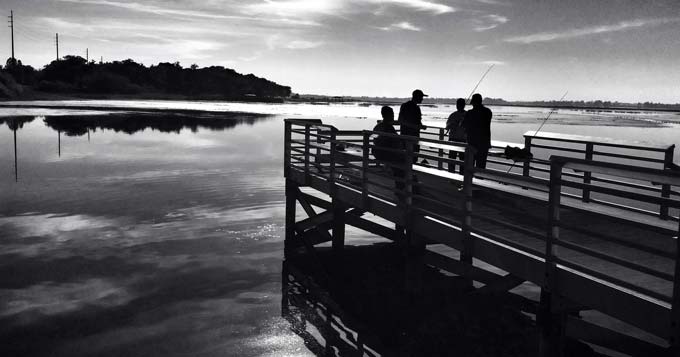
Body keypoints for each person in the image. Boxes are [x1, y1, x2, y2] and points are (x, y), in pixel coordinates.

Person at [372, 106, 405, 192]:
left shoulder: (378, 126)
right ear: (389, 115)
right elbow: (395, 141)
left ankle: (401, 185)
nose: (393, 116)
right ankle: (400, 188)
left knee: (400, 161)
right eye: (392, 114)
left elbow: (375, 139)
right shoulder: (388, 127)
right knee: (402, 163)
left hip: (377, 152)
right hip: (386, 153)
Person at [398, 89, 428, 163]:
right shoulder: (413, 107)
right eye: (421, 97)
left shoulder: (406, 106)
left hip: (408, 136)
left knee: (409, 157)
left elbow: (417, 121)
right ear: (417, 97)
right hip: (411, 136)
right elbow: (401, 121)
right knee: (411, 157)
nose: (422, 99)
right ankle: (409, 173)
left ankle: (407, 173)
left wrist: (420, 126)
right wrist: (416, 126)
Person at [463, 93, 492, 169]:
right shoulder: (488, 111)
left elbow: (463, 125)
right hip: (484, 143)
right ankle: (480, 180)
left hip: (472, 143)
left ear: (473, 102)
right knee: (481, 166)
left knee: (469, 166)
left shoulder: (469, 113)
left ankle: (469, 180)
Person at [445, 98, 467, 174]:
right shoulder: (453, 115)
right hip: (453, 139)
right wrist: (453, 124)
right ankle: (451, 175)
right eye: (458, 104)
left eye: (460, 104)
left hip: (463, 140)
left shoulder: (467, 115)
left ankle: (462, 176)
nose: (459, 106)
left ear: (464, 105)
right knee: (451, 159)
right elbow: (447, 127)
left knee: (463, 160)